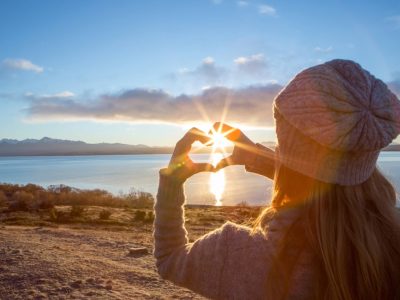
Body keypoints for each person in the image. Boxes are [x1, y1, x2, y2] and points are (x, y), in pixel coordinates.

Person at [153, 59, 400, 299]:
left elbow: (169, 259)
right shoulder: (390, 243)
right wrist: (257, 157)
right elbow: (330, 178)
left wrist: (172, 182)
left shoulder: (235, 255)